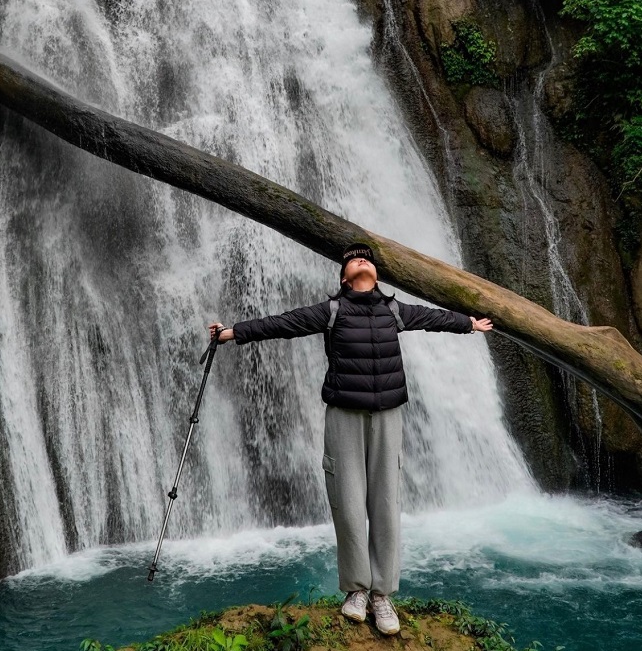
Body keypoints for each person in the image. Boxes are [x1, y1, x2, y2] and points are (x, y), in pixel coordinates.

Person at [209, 242, 493, 636]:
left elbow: (432, 317)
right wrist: (233, 333)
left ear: (376, 274)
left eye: (368, 259)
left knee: (385, 502)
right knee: (346, 500)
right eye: (354, 260)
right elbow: (283, 323)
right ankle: (357, 591)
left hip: (389, 414)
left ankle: (383, 595)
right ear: (344, 277)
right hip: (344, 413)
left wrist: (469, 324)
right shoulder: (332, 311)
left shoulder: (394, 310)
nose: (363, 261)